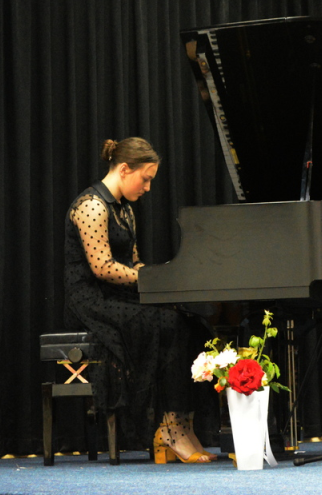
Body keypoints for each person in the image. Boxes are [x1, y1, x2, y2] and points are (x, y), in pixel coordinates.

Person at [63, 137, 216, 464]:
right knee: (168, 322)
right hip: (91, 300)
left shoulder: (125, 210)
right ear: (123, 169)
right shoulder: (91, 206)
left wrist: (164, 279)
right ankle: (170, 431)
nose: (147, 187)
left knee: (191, 322)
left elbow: (133, 263)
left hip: (117, 295)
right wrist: (150, 279)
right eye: (145, 179)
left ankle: (180, 424)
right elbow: (102, 268)